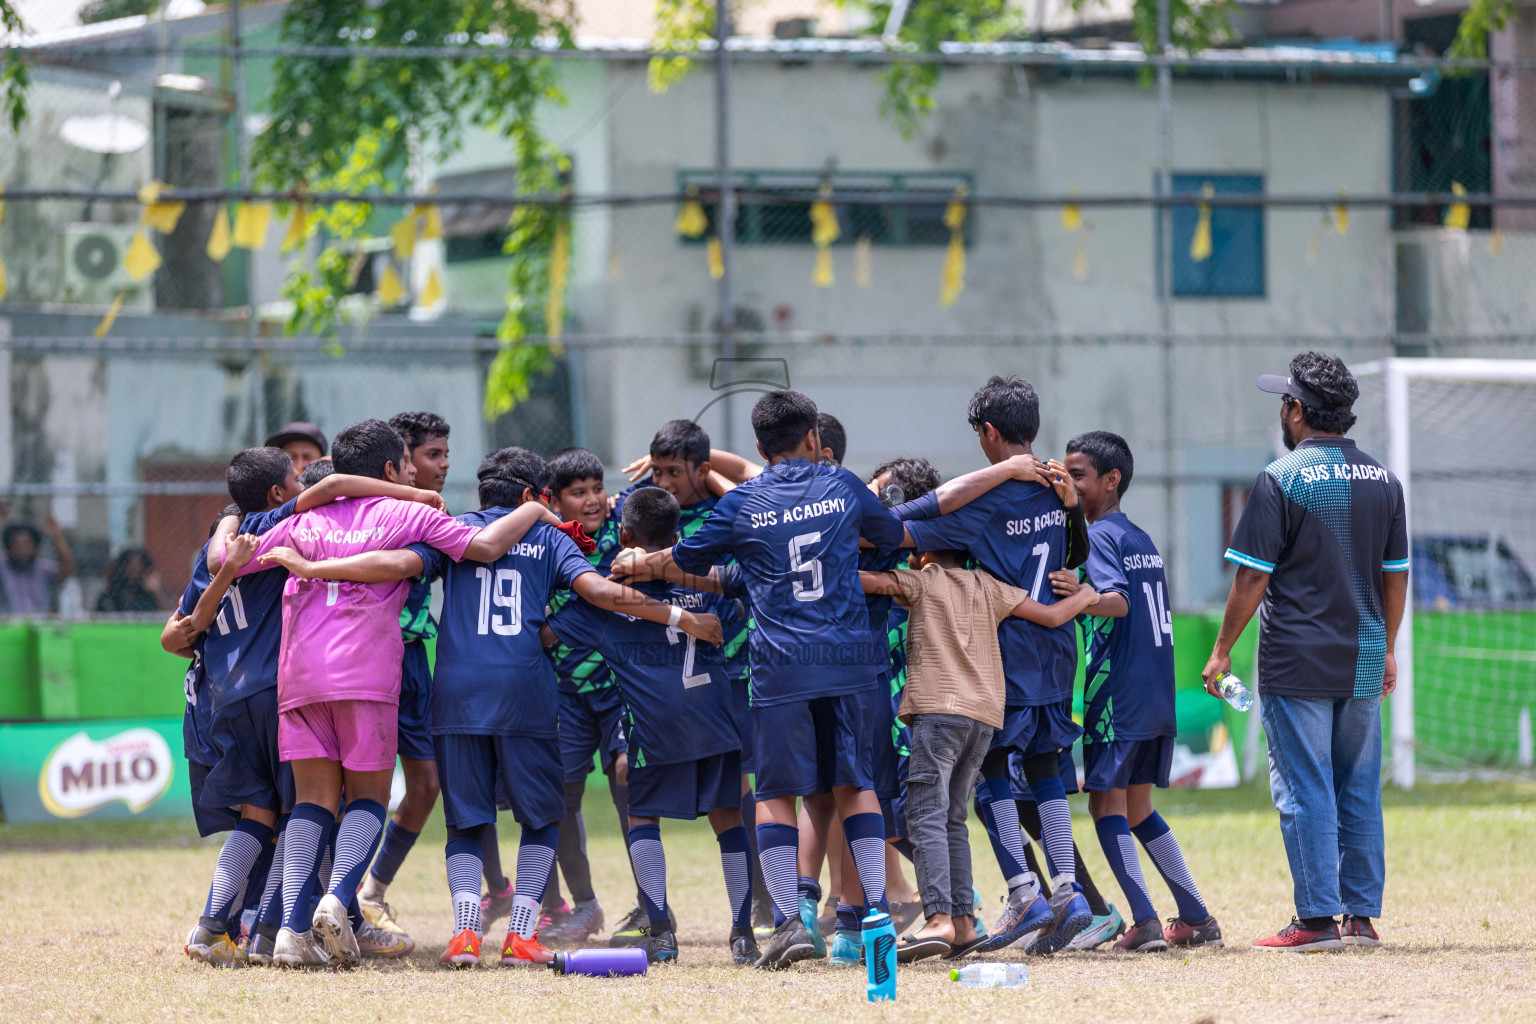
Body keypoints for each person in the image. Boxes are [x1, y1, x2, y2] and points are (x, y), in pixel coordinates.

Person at [258, 445, 721, 970]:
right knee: (542, 819)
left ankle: (464, 937)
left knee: (465, 823)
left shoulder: (452, 532)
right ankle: (521, 937)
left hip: (454, 695)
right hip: (524, 692)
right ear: (531, 496)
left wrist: (316, 566)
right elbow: (596, 592)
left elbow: (399, 564)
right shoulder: (547, 535)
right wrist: (681, 618)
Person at [227, 421, 548, 969]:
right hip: (365, 676)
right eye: (404, 461)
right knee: (370, 798)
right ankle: (338, 900)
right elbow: (488, 546)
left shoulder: (302, 518)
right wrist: (537, 510)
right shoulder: (411, 515)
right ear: (390, 470)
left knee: (311, 802)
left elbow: (228, 560)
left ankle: (290, 931)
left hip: (299, 675)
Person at [611, 390, 906, 969]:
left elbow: (692, 560)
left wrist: (649, 562)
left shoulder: (742, 503)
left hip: (779, 665)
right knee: (854, 783)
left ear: (758, 447)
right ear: (814, 439)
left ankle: (791, 923)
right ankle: (874, 917)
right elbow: (891, 537)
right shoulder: (842, 486)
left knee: (775, 793)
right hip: (847, 660)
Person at [1203, 352, 1407, 952]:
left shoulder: (1280, 478)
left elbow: (1250, 580)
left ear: (1296, 410)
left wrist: (1221, 651)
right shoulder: (1384, 480)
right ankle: (1360, 918)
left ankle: (1316, 920)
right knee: (1359, 784)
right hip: (1367, 654)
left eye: (1283, 402)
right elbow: (1396, 577)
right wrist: (1388, 648)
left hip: (1298, 658)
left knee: (1305, 787)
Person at [897, 375, 1094, 955]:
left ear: (988, 433)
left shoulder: (984, 499)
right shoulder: (1060, 489)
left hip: (1004, 659)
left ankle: (1022, 890)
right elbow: (1074, 553)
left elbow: (898, 526)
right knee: (1048, 770)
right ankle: (1068, 891)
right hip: (1057, 654)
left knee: (988, 776)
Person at [858, 547, 1099, 962]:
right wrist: (1088, 595)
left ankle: (938, 920)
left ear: (927, 553)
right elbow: (1053, 615)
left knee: (924, 813)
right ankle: (965, 924)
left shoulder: (922, 579)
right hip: (984, 719)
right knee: (953, 816)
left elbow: (871, 581)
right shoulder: (989, 585)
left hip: (939, 711)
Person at [546, 486, 752, 965]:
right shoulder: (704, 582)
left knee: (640, 813)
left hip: (657, 727)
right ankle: (743, 934)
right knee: (728, 818)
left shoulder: (605, 601)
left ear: (623, 535)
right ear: (677, 536)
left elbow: (546, 636)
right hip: (718, 718)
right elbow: (737, 604)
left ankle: (660, 932)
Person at [1065, 430, 1222, 952]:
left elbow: (1118, 601)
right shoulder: (1141, 538)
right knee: (1136, 807)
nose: (1070, 483)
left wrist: (1080, 596)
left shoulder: (1102, 537)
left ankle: (1145, 921)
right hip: (1156, 689)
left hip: (1118, 694)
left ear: (1112, 481)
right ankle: (1195, 916)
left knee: (1103, 806)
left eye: (1078, 475)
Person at [536, 446, 648, 947]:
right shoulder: (545, 540)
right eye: (578, 493)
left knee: (629, 775)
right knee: (557, 793)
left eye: (596, 488)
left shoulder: (625, 521)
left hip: (623, 688)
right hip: (567, 692)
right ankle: (584, 906)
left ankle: (651, 903)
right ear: (553, 500)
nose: (592, 500)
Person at [357, 411, 454, 944]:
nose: (442, 465)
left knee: (426, 785)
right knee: (356, 789)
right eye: (432, 455)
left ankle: (372, 890)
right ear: (401, 463)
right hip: (362, 660)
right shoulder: (361, 511)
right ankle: (338, 902)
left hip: (414, 660)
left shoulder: (431, 514)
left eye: (445, 455)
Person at [0, 517, 75, 615]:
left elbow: (68, 569)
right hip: (7, 625)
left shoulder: (44, 568)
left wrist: (57, 537)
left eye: (27, 544)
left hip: (41, 625)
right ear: (8, 547)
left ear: (35, 546)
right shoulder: (2, 567)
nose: (22, 549)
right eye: (16, 545)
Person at [97, 547, 161, 613]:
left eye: (137, 570)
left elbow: (166, 615)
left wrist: (157, 592)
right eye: (131, 569)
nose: (134, 574)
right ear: (122, 569)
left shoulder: (148, 598)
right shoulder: (109, 599)